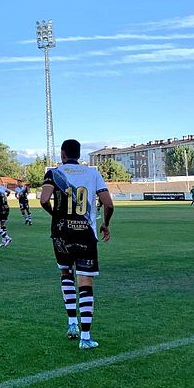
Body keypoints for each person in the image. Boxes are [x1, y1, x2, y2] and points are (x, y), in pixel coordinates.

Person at [40, 139, 114, 350]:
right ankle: (86, 337)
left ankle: (72, 323)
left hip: (61, 234)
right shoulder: (93, 173)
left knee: (65, 274)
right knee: (85, 281)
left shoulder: (53, 173)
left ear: (63, 154)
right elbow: (108, 204)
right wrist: (106, 224)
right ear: (79, 154)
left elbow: (44, 200)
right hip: (85, 233)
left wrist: (55, 215)